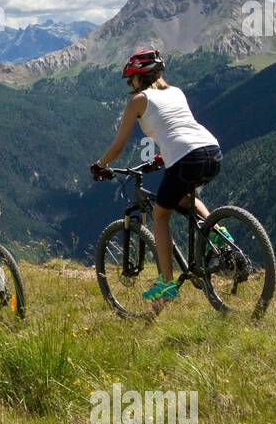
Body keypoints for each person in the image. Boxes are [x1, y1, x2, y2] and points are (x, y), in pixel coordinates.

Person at [91, 49, 222, 302]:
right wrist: (163, 156)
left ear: (139, 77)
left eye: (131, 79)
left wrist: (100, 164)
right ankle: (218, 232)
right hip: (212, 150)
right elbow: (176, 126)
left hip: (186, 157)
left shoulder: (138, 100)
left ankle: (167, 284)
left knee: (160, 215)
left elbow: (118, 146)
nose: (130, 85)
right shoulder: (176, 92)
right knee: (184, 198)